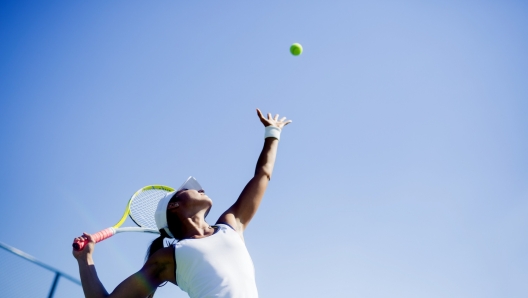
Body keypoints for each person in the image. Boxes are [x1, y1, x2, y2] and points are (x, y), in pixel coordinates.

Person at [72, 109, 292, 298]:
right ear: (173, 206)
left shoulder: (231, 224)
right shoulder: (168, 258)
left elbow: (263, 175)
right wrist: (85, 259)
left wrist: (272, 133)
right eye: (190, 189)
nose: (200, 188)